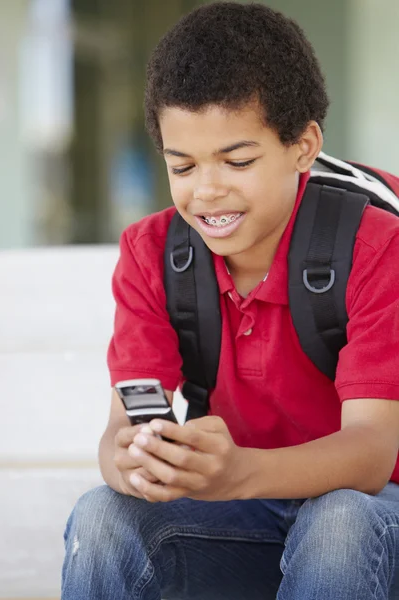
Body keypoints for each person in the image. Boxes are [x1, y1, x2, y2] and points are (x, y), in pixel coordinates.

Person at [61, 3, 399, 599]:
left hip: (371, 521)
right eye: (182, 165)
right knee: (103, 516)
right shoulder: (153, 253)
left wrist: (237, 472)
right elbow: (122, 427)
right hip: (240, 515)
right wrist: (140, 463)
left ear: (304, 145)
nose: (207, 189)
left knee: (338, 523)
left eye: (238, 161)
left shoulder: (374, 245)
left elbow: (371, 452)